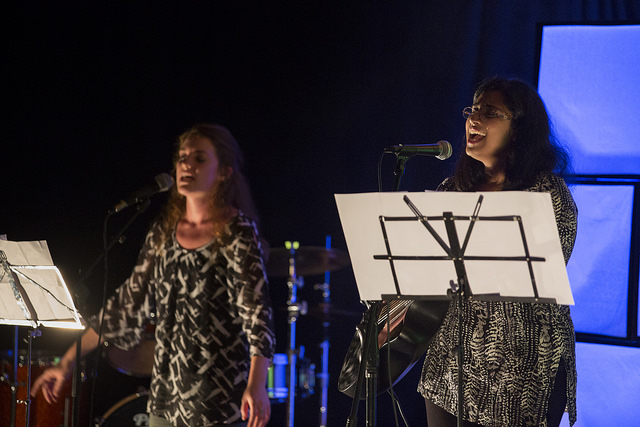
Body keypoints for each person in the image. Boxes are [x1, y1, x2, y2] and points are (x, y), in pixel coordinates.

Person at [31, 124, 276, 427]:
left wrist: (257, 384)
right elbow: (126, 304)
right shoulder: (163, 232)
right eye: (182, 157)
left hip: (218, 398)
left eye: (199, 158)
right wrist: (67, 361)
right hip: (165, 397)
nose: (186, 165)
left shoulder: (236, 232)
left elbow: (257, 315)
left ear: (225, 172)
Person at [418, 77, 577, 427]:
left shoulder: (547, 193)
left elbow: (546, 272)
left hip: (522, 368)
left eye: (489, 112)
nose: (474, 119)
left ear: (519, 130)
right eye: (472, 110)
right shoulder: (451, 191)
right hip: (449, 366)